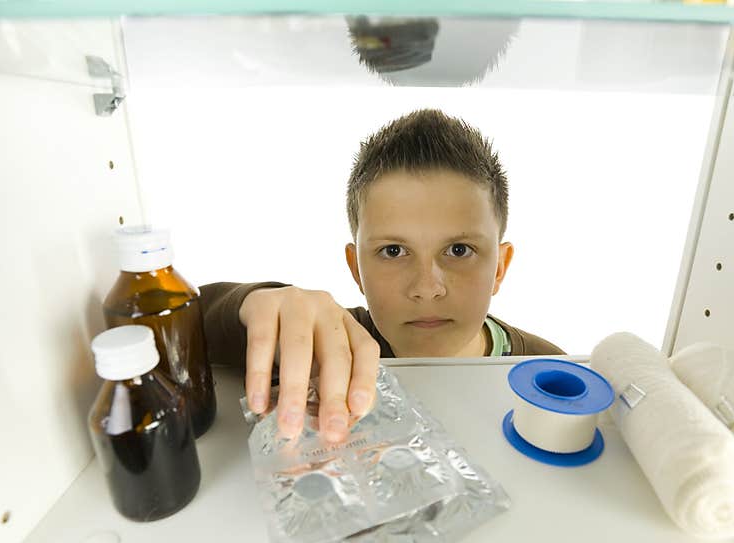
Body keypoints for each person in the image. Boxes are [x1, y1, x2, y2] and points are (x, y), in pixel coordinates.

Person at [199, 108, 564, 443]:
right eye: (393, 251)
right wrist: (251, 304)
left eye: (458, 250)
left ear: (499, 267)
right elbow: (179, 325)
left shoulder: (553, 372)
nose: (426, 289)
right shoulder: (326, 346)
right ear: (356, 267)